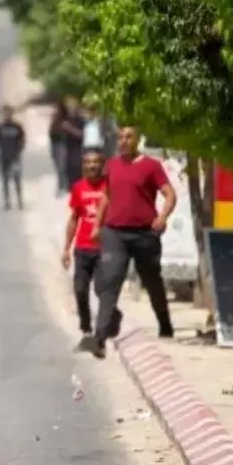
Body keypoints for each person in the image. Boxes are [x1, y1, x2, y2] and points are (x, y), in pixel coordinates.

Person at [80, 125, 178, 358]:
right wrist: (97, 225)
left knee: (152, 282)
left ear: (137, 140)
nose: (123, 141)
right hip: (115, 234)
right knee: (110, 282)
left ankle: (165, 323)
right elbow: (107, 196)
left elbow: (170, 194)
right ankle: (100, 338)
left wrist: (162, 217)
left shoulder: (151, 166)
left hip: (145, 234)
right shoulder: (112, 165)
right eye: (120, 137)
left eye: (128, 137)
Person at [62, 149, 107, 336]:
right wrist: (66, 248)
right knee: (80, 289)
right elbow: (74, 219)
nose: (92, 165)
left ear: (101, 165)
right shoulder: (78, 188)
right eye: (88, 162)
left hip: (105, 249)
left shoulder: (109, 187)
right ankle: (86, 326)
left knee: (102, 289)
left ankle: (105, 325)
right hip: (83, 248)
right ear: (83, 166)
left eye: (95, 162)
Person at [0, 105, 26, 210]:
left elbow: (22, 139)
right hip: (4, 157)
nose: (7, 115)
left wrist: (18, 150)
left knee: (17, 179)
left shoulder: (17, 127)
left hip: (15, 157)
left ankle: (19, 201)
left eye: (9, 113)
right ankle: (7, 202)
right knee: (5, 180)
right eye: (5, 114)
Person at [60, 96, 86, 190]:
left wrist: (69, 128)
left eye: (71, 107)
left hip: (78, 154)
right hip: (68, 155)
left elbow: (82, 135)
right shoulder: (66, 120)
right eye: (68, 108)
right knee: (71, 183)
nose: (70, 110)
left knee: (79, 180)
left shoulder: (81, 121)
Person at [48, 104, 70, 193]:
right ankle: (61, 186)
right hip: (55, 144)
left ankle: (63, 186)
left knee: (61, 166)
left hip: (61, 144)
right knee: (58, 166)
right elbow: (51, 133)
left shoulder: (64, 121)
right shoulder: (55, 121)